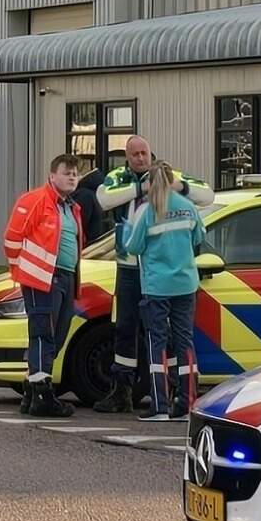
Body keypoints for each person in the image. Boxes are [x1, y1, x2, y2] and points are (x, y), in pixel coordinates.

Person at [119, 165, 208, 422]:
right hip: (185, 283)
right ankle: (187, 403)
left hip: (157, 286)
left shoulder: (147, 211)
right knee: (185, 342)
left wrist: (127, 231)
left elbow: (133, 247)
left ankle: (159, 405)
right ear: (173, 181)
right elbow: (198, 237)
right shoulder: (187, 206)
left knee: (156, 343)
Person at [1, 153, 85, 417]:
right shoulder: (36, 200)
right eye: (66, 172)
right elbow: (12, 238)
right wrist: (24, 270)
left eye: (75, 173)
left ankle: (32, 387)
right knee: (43, 334)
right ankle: (41, 394)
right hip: (42, 278)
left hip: (65, 277)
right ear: (52, 176)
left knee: (57, 335)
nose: (72, 177)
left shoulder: (70, 207)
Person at [89, 134, 159, 407]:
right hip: (128, 267)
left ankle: (166, 390)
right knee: (125, 328)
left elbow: (204, 194)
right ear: (127, 157)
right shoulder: (118, 176)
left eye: (144, 153)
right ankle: (122, 390)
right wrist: (141, 189)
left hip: (157, 267)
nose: (141, 158)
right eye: (135, 154)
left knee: (160, 330)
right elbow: (104, 199)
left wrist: (172, 186)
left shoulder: (165, 174)